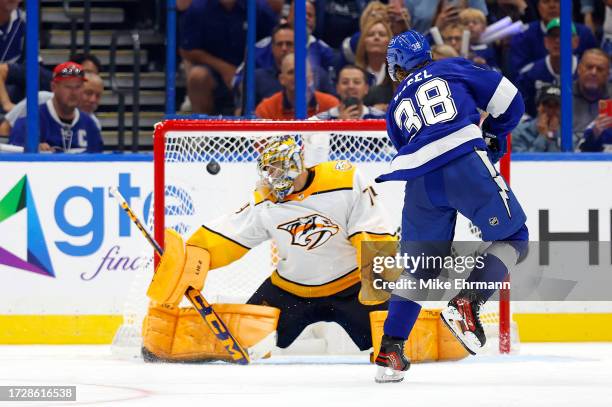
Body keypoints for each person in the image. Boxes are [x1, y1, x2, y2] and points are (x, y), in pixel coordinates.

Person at [141, 135, 399, 362]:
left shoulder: (344, 179)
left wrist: (378, 283)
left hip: (351, 288)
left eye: (278, 168)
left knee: (397, 342)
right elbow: (230, 233)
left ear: (297, 163)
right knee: (241, 341)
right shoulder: (265, 199)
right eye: (268, 170)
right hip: (290, 291)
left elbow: (373, 228)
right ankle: (171, 341)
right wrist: (193, 255)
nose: (272, 177)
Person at [373, 30, 528, 383]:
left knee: (420, 268)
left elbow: (404, 144)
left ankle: (390, 351)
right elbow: (510, 99)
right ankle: (468, 302)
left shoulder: (395, 104)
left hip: (419, 180)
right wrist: (494, 133)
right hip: (464, 163)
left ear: (396, 66)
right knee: (515, 236)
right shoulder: (452, 67)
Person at [178, 0, 278, 114]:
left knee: (264, 78)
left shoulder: (258, 8)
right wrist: (223, 68)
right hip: (214, 71)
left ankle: (255, 125)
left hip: (252, 69)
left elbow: (274, 41)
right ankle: (201, 127)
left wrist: (243, 73)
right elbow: (187, 49)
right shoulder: (198, 8)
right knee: (197, 77)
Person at [9, 62, 103, 153]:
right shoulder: (29, 123)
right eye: (68, 87)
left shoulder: (90, 125)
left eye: (78, 87)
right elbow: (14, 161)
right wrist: (31, 151)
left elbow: (99, 163)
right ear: (54, 87)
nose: (74, 92)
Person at [508, 0, 596, 79]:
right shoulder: (523, 34)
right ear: (538, 7)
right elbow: (517, 75)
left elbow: (595, 67)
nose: (552, 6)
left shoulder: (584, 33)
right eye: (546, 1)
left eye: (557, 1)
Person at [1, 72, 104, 136]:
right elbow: (5, 129)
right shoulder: (40, 99)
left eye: (98, 96)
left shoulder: (93, 123)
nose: (92, 100)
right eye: (88, 93)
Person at [516, 18, 578, 117]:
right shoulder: (530, 73)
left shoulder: (586, 71)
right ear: (546, 42)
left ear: (576, 42)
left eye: (564, 35)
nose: (558, 40)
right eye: (553, 36)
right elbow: (517, 109)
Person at [255, 53, 339, 120]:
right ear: (281, 79)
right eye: (291, 72)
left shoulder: (330, 104)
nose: (297, 76)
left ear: (310, 77)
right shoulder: (267, 109)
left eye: (302, 71)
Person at [313, 65, 385, 120]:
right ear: (337, 88)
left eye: (357, 82)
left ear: (366, 89)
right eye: (345, 82)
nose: (351, 86)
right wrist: (338, 125)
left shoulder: (382, 118)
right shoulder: (320, 120)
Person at [573, 48, 612, 141]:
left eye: (600, 69)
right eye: (589, 67)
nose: (593, 72)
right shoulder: (561, 96)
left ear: (608, 75)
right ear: (579, 69)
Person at [512, 84, 562, 152]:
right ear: (538, 107)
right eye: (547, 105)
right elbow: (523, 161)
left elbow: (566, 160)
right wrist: (543, 136)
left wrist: (552, 134)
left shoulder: (567, 134)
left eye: (556, 106)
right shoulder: (519, 131)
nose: (551, 111)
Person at [355, 18, 393, 86]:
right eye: (371, 34)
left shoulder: (397, 74)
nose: (376, 37)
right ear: (363, 42)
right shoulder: (354, 73)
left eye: (382, 34)